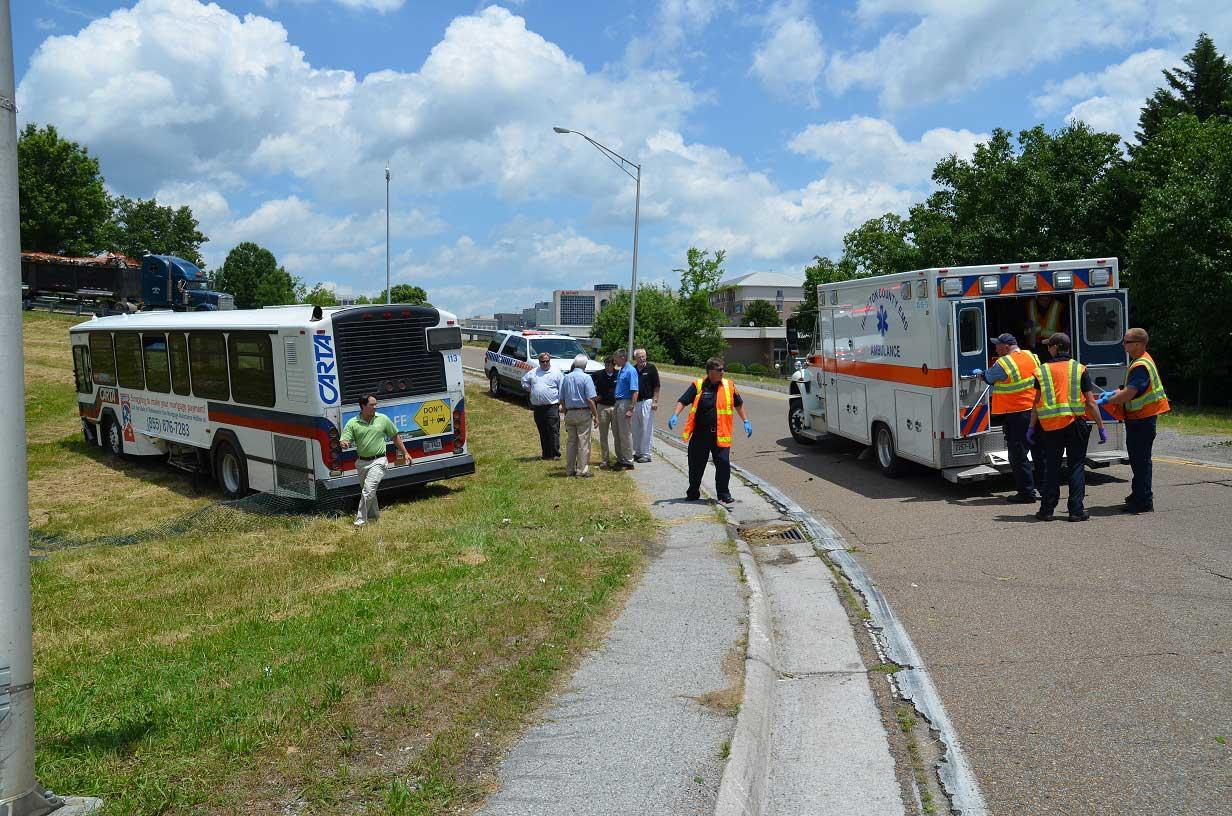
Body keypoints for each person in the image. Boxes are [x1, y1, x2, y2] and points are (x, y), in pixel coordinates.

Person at [1029, 333, 1106, 522]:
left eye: (1049, 346)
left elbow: (1036, 403)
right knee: (1076, 466)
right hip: (1075, 424)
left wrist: (1031, 427)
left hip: (1051, 427)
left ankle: (1047, 510)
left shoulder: (1042, 371)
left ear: (1056, 348)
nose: (1048, 349)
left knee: (1052, 468)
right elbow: (1090, 401)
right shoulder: (1079, 369)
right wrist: (1100, 426)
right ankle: (1076, 511)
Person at [1098, 327, 1169, 513]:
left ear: (1138, 344)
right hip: (1141, 419)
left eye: (1127, 342)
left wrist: (1108, 400)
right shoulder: (1141, 360)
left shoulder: (1140, 365)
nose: (1123, 345)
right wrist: (1113, 393)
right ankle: (1138, 493)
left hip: (1141, 420)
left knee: (1140, 461)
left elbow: (1130, 393)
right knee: (1139, 460)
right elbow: (1129, 389)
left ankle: (1143, 500)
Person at [666, 357, 752, 504]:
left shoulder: (729, 386)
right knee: (696, 465)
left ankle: (724, 494)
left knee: (723, 465)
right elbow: (683, 400)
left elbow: (739, 404)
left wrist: (746, 420)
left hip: (721, 434)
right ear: (711, 371)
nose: (723, 372)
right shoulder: (698, 385)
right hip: (700, 434)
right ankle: (693, 491)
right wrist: (675, 415)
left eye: (723, 369)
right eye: (720, 370)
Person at [973, 333, 1043, 503]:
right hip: (1037, 411)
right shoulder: (1032, 356)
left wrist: (980, 374)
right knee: (1039, 453)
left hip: (1018, 414)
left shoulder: (1004, 363)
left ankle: (1026, 493)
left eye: (997, 345)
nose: (995, 348)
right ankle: (1045, 489)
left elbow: (989, 377)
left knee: (1018, 455)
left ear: (1006, 346)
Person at [340, 394, 410, 527]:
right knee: (368, 492)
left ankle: (360, 522)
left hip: (379, 461)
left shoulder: (382, 419)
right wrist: (344, 443)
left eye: (375, 404)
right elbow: (345, 439)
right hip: (362, 463)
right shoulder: (353, 423)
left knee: (368, 490)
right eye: (372, 405)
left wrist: (405, 453)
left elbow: (395, 437)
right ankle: (374, 518)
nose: (375, 407)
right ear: (363, 406)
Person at [559, 354, 599, 477]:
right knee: (583, 442)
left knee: (571, 442)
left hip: (570, 412)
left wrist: (566, 411)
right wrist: (595, 415)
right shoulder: (586, 378)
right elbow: (590, 399)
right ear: (585, 365)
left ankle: (569, 469)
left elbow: (561, 398)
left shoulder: (566, 377)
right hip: (583, 412)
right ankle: (582, 470)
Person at [522, 351, 563, 460]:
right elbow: (524, 381)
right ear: (539, 362)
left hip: (552, 406)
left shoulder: (556, 373)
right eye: (542, 361)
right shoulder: (534, 372)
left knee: (553, 430)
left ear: (550, 361)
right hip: (538, 407)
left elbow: (562, 389)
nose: (545, 363)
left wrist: (561, 404)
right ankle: (546, 454)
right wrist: (530, 389)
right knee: (543, 431)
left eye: (547, 361)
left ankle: (555, 454)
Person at [631, 348, 661, 463]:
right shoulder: (633, 370)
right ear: (636, 358)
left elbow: (657, 386)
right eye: (639, 357)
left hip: (647, 401)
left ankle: (646, 454)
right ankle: (638, 452)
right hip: (636, 402)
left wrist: (655, 401)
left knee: (646, 428)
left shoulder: (651, 368)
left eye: (643, 356)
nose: (642, 359)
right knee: (636, 429)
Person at [612, 348, 639, 470]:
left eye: (616, 358)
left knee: (625, 433)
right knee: (617, 432)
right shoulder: (621, 370)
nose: (614, 360)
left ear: (622, 358)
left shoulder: (630, 371)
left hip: (625, 402)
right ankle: (621, 458)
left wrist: (631, 408)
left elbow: (635, 391)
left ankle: (628, 461)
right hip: (618, 402)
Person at [590, 355, 619, 468]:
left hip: (615, 406)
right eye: (606, 364)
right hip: (602, 407)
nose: (607, 367)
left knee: (617, 434)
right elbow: (588, 384)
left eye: (609, 365)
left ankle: (619, 458)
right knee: (603, 435)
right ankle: (605, 460)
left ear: (614, 365)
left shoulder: (619, 374)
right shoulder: (598, 374)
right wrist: (594, 396)